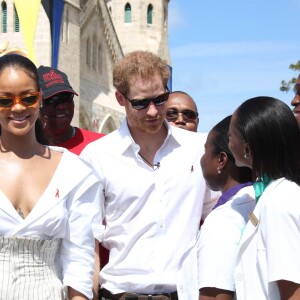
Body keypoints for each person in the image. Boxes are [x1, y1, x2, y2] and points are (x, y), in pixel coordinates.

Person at [80, 50, 218, 300]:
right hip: (121, 293)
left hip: (185, 292)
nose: (154, 111)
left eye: (161, 99)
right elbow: (86, 233)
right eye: (141, 103)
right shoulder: (97, 155)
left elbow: (217, 217)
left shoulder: (198, 148)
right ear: (120, 99)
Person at [0, 54, 103, 299]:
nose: (17, 107)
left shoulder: (74, 171)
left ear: (39, 101)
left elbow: (79, 260)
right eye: (5, 100)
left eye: (27, 98)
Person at [228, 96, 300, 300]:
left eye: (230, 135)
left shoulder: (280, 201)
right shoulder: (274, 195)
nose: (228, 143)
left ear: (247, 148)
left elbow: (293, 291)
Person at [198, 115, 255, 300]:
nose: (202, 159)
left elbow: (216, 294)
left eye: (205, 150)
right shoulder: (263, 200)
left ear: (221, 160)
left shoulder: (224, 218)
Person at [37, 65, 105, 155]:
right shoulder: (21, 150)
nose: (61, 106)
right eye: (53, 99)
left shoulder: (102, 145)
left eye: (67, 97)